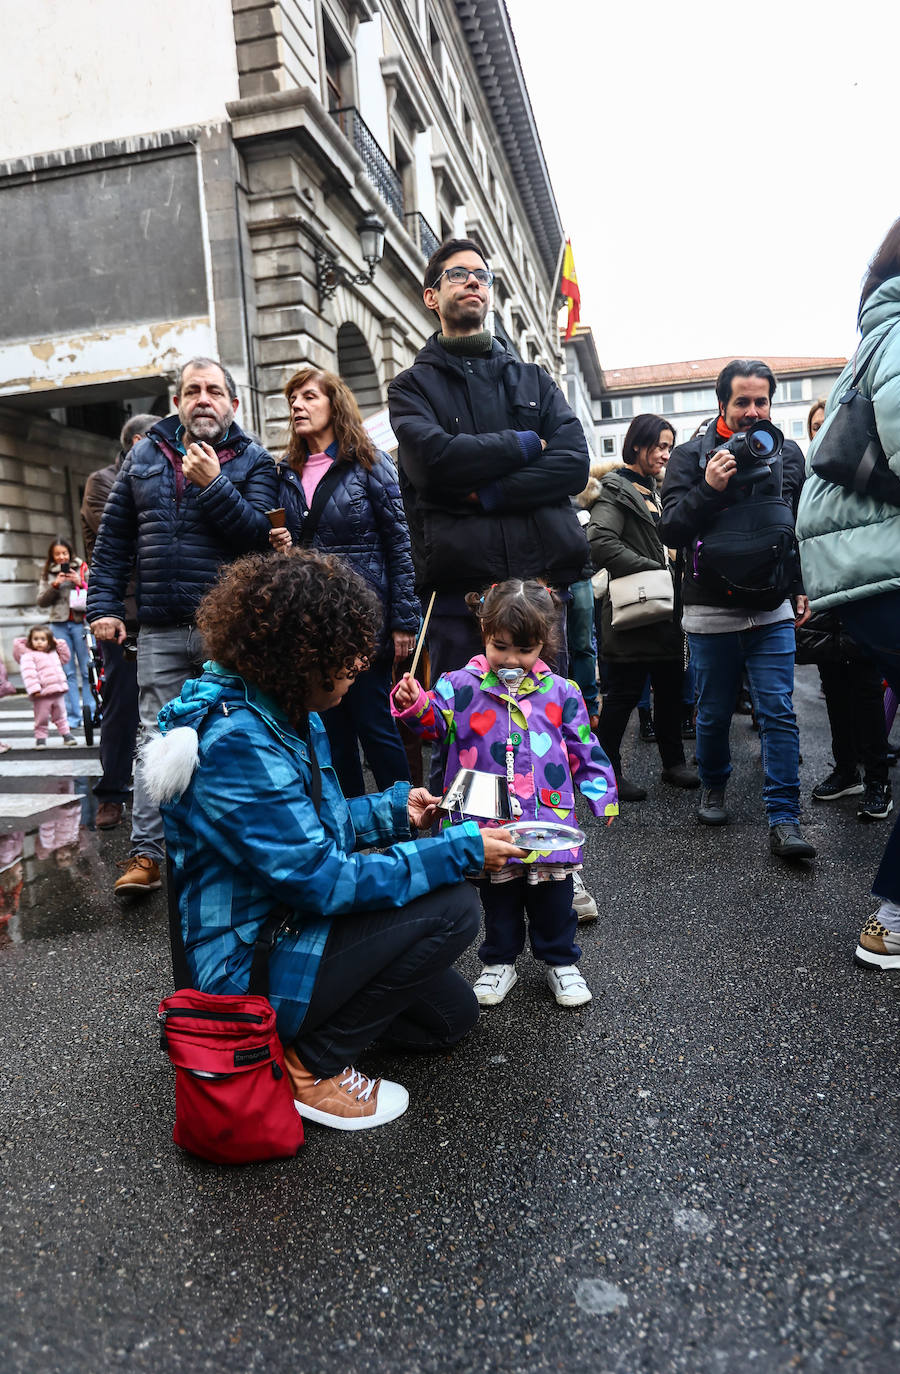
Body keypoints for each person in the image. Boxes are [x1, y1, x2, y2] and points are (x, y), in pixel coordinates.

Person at [146, 549, 524, 1130]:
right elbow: (322, 879)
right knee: (453, 909)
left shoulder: (285, 709)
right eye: (348, 656)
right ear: (304, 656)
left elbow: (307, 825)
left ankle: (317, 1023)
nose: (358, 667)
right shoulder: (237, 741)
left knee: (450, 1019)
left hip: (282, 924)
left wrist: (400, 811)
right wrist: (460, 850)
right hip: (244, 965)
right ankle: (307, 1068)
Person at [387, 236, 596, 924]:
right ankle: (474, 867)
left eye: (481, 276)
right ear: (432, 294)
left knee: (546, 737)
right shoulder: (411, 386)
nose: (472, 284)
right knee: (467, 745)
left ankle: (559, 862)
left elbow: (571, 464)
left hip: (536, 591)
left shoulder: (533, 379)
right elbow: (431, 464)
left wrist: (485, 493)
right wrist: (520, 448)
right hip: (460, 598)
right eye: (457, 276)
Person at [87, 357, 277, 898]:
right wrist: (103, 605)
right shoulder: (145, 454)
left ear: (233, 404)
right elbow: (113, 541)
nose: (202, 399)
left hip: (229, 631)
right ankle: (147, 854)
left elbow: (259, 541)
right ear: (177, 402)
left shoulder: (255, 460)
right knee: (155, 736)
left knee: (235, 734)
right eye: (192, 390)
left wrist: (214, 485)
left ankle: (237, 850)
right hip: (162, 626)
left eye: (214, 390)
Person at [391, 579, 618, 1010]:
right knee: (498, 895)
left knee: (555, 896)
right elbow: (432, 728)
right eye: (501, 647)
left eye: (525, 650)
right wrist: (414, 702)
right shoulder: (459, 686)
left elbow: (585, 747)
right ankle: (499, 961)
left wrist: (601, 793)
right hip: (486, 817)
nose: (511, 660)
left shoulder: (561, 692)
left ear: (543, 644)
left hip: (547, 818)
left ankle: (561, 962)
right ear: (484, 634)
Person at [796, 209, 900, 966]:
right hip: (895, 576)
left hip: (875, 578)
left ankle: (898, 916)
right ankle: (897, 919)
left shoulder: (882, 330)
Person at [659, 360, 816, 861]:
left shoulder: (787, 454)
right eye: (742, 402)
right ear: (721, 403)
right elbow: (670, 532)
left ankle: (785, 817)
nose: (752, 412)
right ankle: (714, 786)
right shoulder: (690, 456)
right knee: (712, 713)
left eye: (761, 402)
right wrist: (709, 488)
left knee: (778, 712)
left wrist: (800, 586)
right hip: (710, 610)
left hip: (770, 607)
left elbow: (796, 527)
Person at [270, 367, 419, 797]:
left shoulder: (370, 462)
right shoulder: (286, 473)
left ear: (335, 405)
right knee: (329, 732)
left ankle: (401, 817)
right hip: (312, 621)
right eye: (293, 399)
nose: (297, 405)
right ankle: (348, 825)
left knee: (374, 724)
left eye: (309, 397)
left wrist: (403, 620)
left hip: (364, 619)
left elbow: (399, 544)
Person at [588, 415, 698, 801]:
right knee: (623, 695)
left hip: (666, 610)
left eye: (670, 446)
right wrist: (655, 568)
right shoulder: (617, 488)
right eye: (660, 446)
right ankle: (606, 774)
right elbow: (599, 540)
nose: (666, 454)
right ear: (638, 445)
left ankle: (674, 763)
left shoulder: (659, 490)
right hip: (633, 611)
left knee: (669, 690)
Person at [796, 401, 892, 820]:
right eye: (814, 427)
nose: (820, 433)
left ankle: (878, 781)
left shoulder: (864, 472)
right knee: (834, 688)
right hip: (824, 601)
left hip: (861, 595)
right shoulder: (808, 482)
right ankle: (846, 770)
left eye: (826, 425)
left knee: (867, 692)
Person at [80, 413, 158, 830]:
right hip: (120, 614)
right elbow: (125, 539)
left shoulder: (162, 472)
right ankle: (111, 793)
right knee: (122, 702)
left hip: (160, 607)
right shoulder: (102, 481)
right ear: (139, 439)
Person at [36, 538, 91, 733]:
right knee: (67, 673)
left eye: (64, 553)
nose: (61, 557)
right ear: (52, 556)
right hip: (58, 626)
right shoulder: (48, 573)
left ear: (70, 553)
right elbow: (41, 601)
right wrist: (55, 585)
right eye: (57, 554)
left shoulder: (82, 567)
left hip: (80, 624)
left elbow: (96, 593)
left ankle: (90, 714)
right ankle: (73, 717)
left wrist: (81, 582)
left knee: (87, 670)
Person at [13, 627, 78, 747]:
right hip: (41, 694)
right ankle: (40, 738)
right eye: (35, 639)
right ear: (30, 641)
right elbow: (29, 674)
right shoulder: (29, 656)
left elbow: (65, 658)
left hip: (57, 691)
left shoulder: (53, 653)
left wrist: (59, 644)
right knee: (41, 718)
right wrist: (34, 689)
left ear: (49, 640)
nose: (39, 642)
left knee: (61, 715)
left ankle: (66, 735)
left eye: (43, 639)